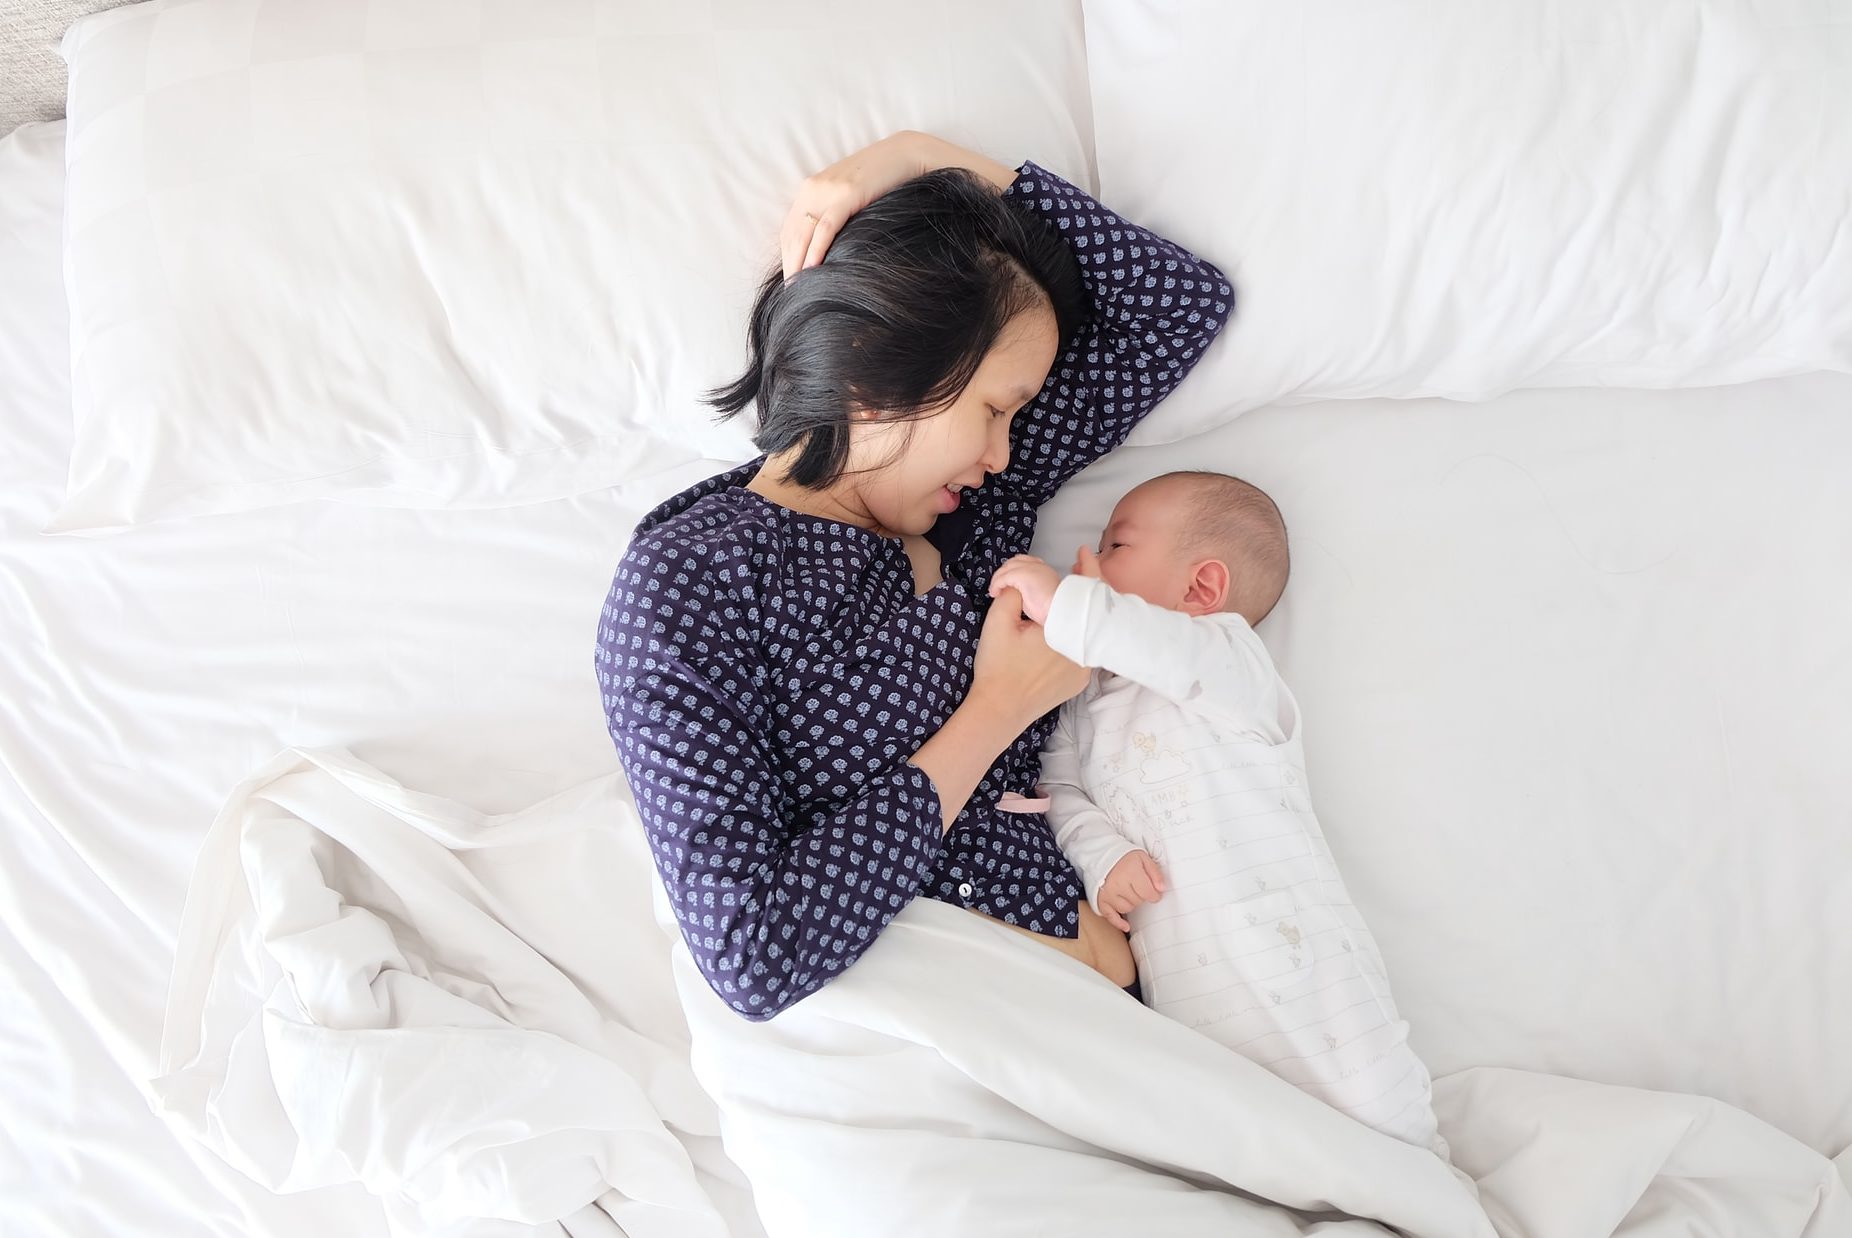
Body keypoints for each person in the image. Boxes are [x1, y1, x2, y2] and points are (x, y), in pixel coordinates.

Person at [595, 129, 1232, 1022]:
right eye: (994, 410)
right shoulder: (691, 583)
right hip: (939, 1040)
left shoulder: (979, 509)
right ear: (876, 366)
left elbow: (1177, 307)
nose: (1006, 448)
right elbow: (751, 952)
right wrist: (996, 711)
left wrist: (923, 158)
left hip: (1116, 1021)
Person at [987, 471, 1448, 1155]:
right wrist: (1103, 857)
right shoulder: (1087, 695)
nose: (1088, 560)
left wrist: (1067, 602)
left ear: (1200, 590)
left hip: (1307, 970)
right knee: (1245, 1154)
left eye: (1114, 546)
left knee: (1383, 1124)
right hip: (1198, 1010)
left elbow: (1150, 644)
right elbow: (1061, 791)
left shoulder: (1229, 661)